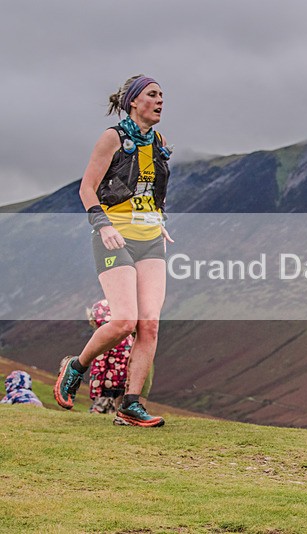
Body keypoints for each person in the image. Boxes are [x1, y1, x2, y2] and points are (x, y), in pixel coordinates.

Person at [53, 75, 173, 427]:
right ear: (135, 101)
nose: (161, 100)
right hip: (113, 236)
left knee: (149, 324)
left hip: (150, 237)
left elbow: (151, 190)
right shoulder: (113, 138)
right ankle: (77, 368)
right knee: (124, 321)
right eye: (153, 94)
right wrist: (102, 225)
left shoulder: (160, 142)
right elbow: (87, 189)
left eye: (163, 95)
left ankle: (131, 405)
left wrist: (159, 219)